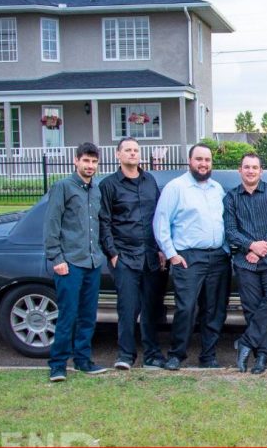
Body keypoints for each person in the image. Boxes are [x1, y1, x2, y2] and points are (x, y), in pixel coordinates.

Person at [153, 143, 229, 371]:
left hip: (218, 257)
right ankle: (177, 354)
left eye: (207, 160)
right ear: (190, 161)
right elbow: (161, 222)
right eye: (199, 159)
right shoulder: (176, 187)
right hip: (188, 257)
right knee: (186, 308)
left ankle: (208, 356)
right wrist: (171, 254)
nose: (203, 164)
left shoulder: (217, 189)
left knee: (214, 310)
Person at [99, 137, 167, 371]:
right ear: (118, 155)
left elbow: (159, 218)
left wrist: (161, 249)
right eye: (127, 150)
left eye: (136, 150)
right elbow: (104, 222)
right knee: (127, 308)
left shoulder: (150, 181)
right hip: (125, 256)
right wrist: (113, 253)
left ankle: (152, 354)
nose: (132, 154)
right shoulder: (108, 185)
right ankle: (125, 355)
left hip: (150, 255)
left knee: (150, 308)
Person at [44, 142, 107, 382]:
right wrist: (56, 258)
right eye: (86, 161)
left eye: (93, 162)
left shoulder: (97, 190)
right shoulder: (63, 187)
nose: (90, 166)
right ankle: (58, 364)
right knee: (67, 315)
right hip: (70, 263)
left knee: (88, 315)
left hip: (92, 263)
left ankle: (83, 360)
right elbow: (52, 224)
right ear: (76, 161)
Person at [224, 153, 267, 375]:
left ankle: (246, 341)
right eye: (246, 167)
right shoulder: (231, 198)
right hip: (244, 260)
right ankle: (262, 356)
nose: (250, 171)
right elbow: (230, 230)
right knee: (251, 309)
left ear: (262, 171)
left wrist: (261, 248)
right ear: (239, 171)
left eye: (255, 167)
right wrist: (251, 246)